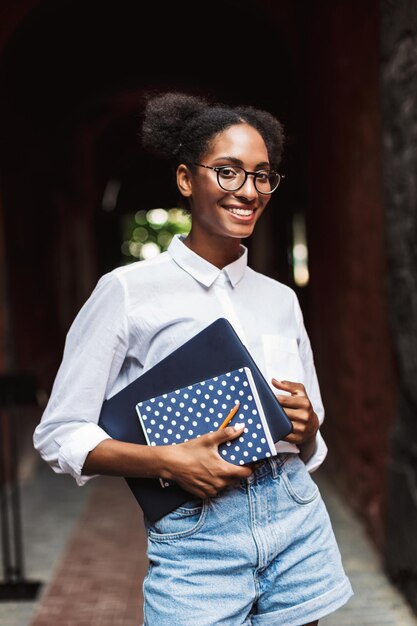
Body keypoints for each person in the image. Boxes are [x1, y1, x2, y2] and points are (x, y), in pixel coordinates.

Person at [33, 91, 353, 625]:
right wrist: (167, 461)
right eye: (227, 172)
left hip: (296, 520)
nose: (247, 191)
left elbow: (311, 442)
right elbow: (60, 433)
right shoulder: (128, 292)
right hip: (198, 534)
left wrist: (309, 426)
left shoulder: (281, 299)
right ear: (186, 179)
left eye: (261, 175)